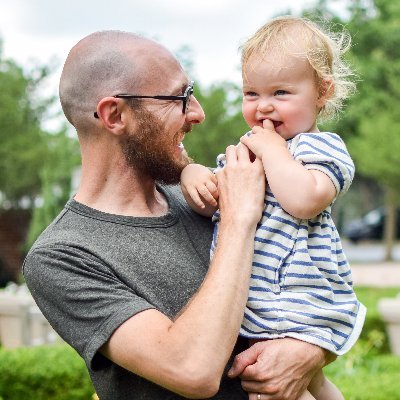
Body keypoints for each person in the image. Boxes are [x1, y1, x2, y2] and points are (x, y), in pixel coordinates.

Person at [23, 30, 334, 400]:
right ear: (115, 114)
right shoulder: (62, 255)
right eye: (179, 98)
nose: (198, 112)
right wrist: (239, 218)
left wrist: (310, 350)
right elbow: (192, 370)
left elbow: (317, 283)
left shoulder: (203, 197)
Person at [181, 16, 366, 400]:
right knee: (310, 385)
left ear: (322, 92)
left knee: (271, 388)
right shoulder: (250, 148)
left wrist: (272, 151)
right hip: (262, 301)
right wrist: (195, 177)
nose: (264, 106)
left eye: (281, 92)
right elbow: (216, 204)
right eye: (251, 94)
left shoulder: (320, 148)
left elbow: (303, 200)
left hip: (299, 300)